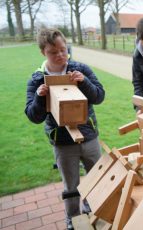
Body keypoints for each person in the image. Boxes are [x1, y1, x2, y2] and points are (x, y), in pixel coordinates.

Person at [25, 28, 105, 230]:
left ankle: (93, 209)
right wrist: (40, 97)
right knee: (71, 186)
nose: (60, 55)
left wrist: (84, 82)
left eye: (63, 49)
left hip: (89, 137)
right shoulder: (36, 79)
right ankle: (73, 219)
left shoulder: (80, 69)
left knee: (95, 179)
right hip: (62, 142)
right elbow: (33, 116)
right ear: (43, 52)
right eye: (54, 52)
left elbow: (99, 96)